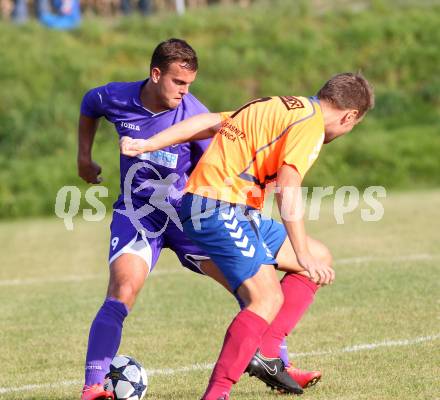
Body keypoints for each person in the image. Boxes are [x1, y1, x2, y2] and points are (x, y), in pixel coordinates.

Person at [78, 38, 318, 400]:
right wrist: (84, 157)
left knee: (254, 288)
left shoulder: (193, 113)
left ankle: (273, 362)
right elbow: (89, 104)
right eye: (178, 82)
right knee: (123, 289)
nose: (184, 92)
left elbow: (222, 168)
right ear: (155, 74)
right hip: (139, 215)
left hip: (190, 217)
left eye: (189, 84)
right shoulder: (116, 97)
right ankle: (93, 387)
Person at [120, 72, 375, 400]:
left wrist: (149, 143)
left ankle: (266, 352)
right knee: (266, 298)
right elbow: (288, 187)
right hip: (217, 207)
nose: (346, 131)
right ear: (349, 115)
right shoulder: (310, 126)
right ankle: (217, 394)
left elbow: (211, 121)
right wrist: (301, 253)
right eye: (351, 126)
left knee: (320, 254)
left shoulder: (278, 105)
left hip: (234, 210)